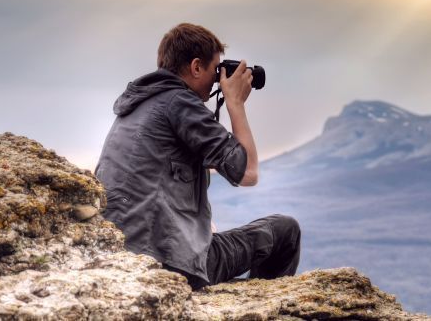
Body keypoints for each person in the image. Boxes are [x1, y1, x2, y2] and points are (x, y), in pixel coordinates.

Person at [94, 22, 301, 290]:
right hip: (167, 262)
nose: (218, 78)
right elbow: (248, 172)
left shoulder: (138, 105)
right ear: (195, 67)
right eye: (216, 69)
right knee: (285, 231)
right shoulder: (179, 103)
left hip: (126, 253)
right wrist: (235, 103)